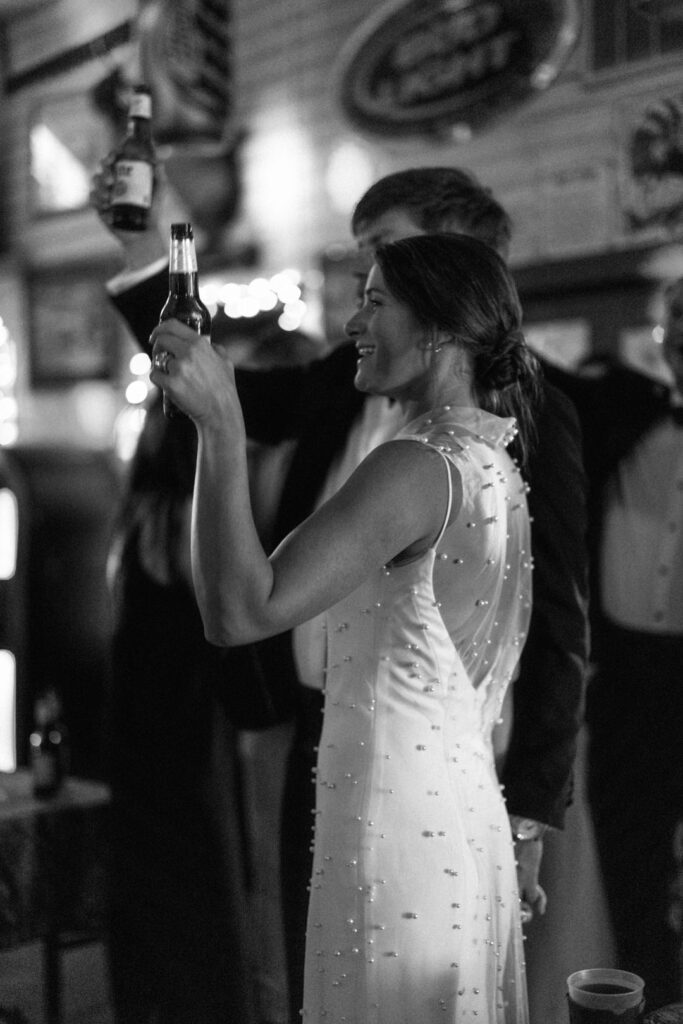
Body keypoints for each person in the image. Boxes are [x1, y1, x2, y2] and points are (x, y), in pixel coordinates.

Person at [91, 162, 589, 1023]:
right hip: (386, 766)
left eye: (378, 280)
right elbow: (213, 370)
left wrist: (219, 431)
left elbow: (556, 628)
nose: (350, 311)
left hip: (396, 807)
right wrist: (150, 254)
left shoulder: (426, 459)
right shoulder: (483, 449)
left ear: (445, 290)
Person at [544, 277, 683, 1013]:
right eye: (675, 321)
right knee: (629, 847)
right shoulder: (627, 417)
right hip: (628, 672)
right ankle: (644, 1001)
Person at [106, 394, 257, 1024]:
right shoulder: (205, 518)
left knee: (145, 885)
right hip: (197, 724)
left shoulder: (134, 520)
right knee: (205, 882)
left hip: (136, 725)